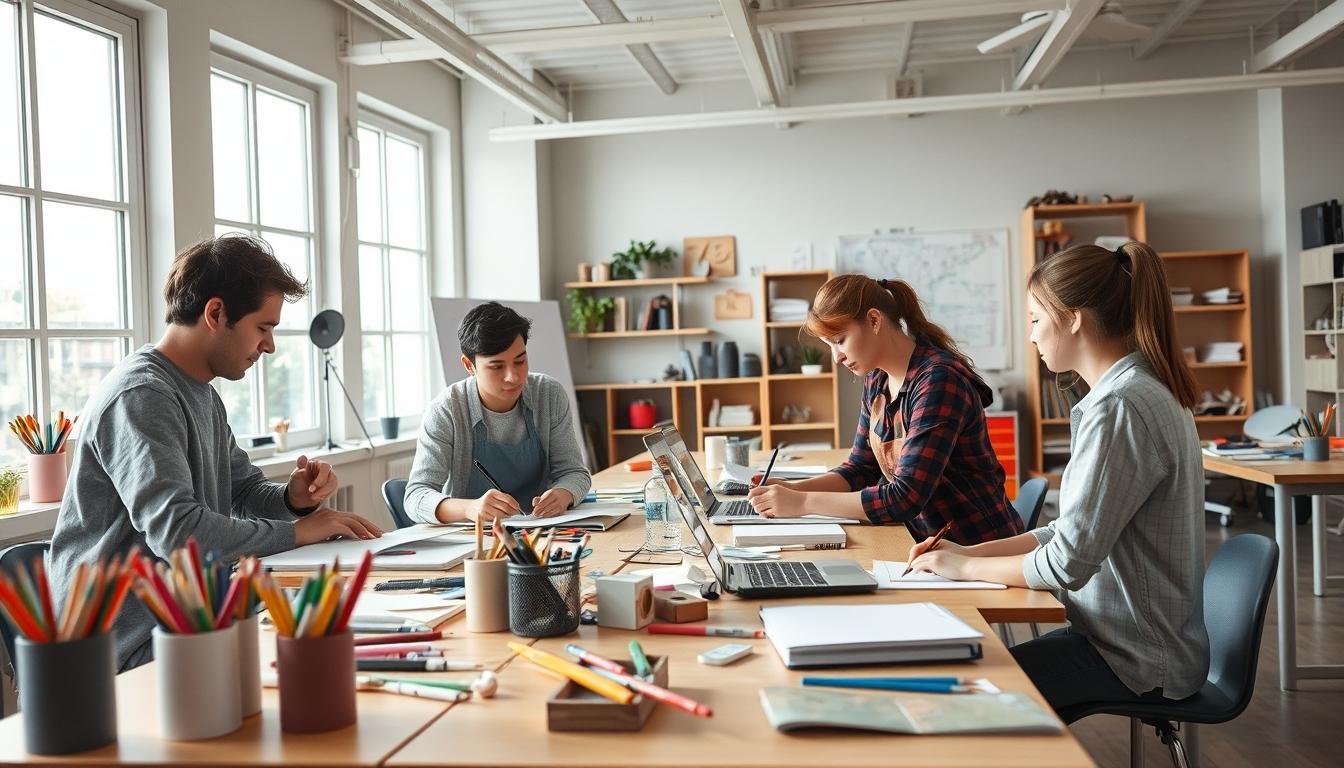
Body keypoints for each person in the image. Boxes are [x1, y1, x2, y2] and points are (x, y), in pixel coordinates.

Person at [49, 235, 383, 671]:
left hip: (181, 619)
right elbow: (181, 537)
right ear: (215, 313)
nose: (270, 346)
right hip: (121, 647)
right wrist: (299, 532)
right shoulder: (142, 395)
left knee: (330, 634)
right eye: (263, 328)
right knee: (312, 653)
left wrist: (292, 500)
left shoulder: (201, 393)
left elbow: (242, 490)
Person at [908, 241, 1210, 712]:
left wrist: (964, 569)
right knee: (966, 684)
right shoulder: (1136, 390)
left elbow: (1066, 564)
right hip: (1126, 642)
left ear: (1072, 318)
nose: (1030, 336)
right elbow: (1065, 532)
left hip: (1136, 658)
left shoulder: (1121, 407)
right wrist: (965, 552)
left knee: (960, 703)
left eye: (1034, 319)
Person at [747, 275, 1022, 545]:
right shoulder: (876, 379)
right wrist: (792, 489)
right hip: (925, 543)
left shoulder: (938, 380)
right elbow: (860, 469)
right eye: (829, 346)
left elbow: (905, 498)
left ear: (874, 320)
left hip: (976, 548)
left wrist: (803, 502)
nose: (836, 357)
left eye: (840, 340)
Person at [406, 301, 591, 523]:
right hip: (476, 541)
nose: (513, 376)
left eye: (520, 361)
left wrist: (564, 494)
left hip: (543, 530)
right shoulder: (446, 410)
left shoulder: (549, 395)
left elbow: (575, 472)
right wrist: (469, 508)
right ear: (469, 365)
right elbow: (415, 496)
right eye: (496, 367)